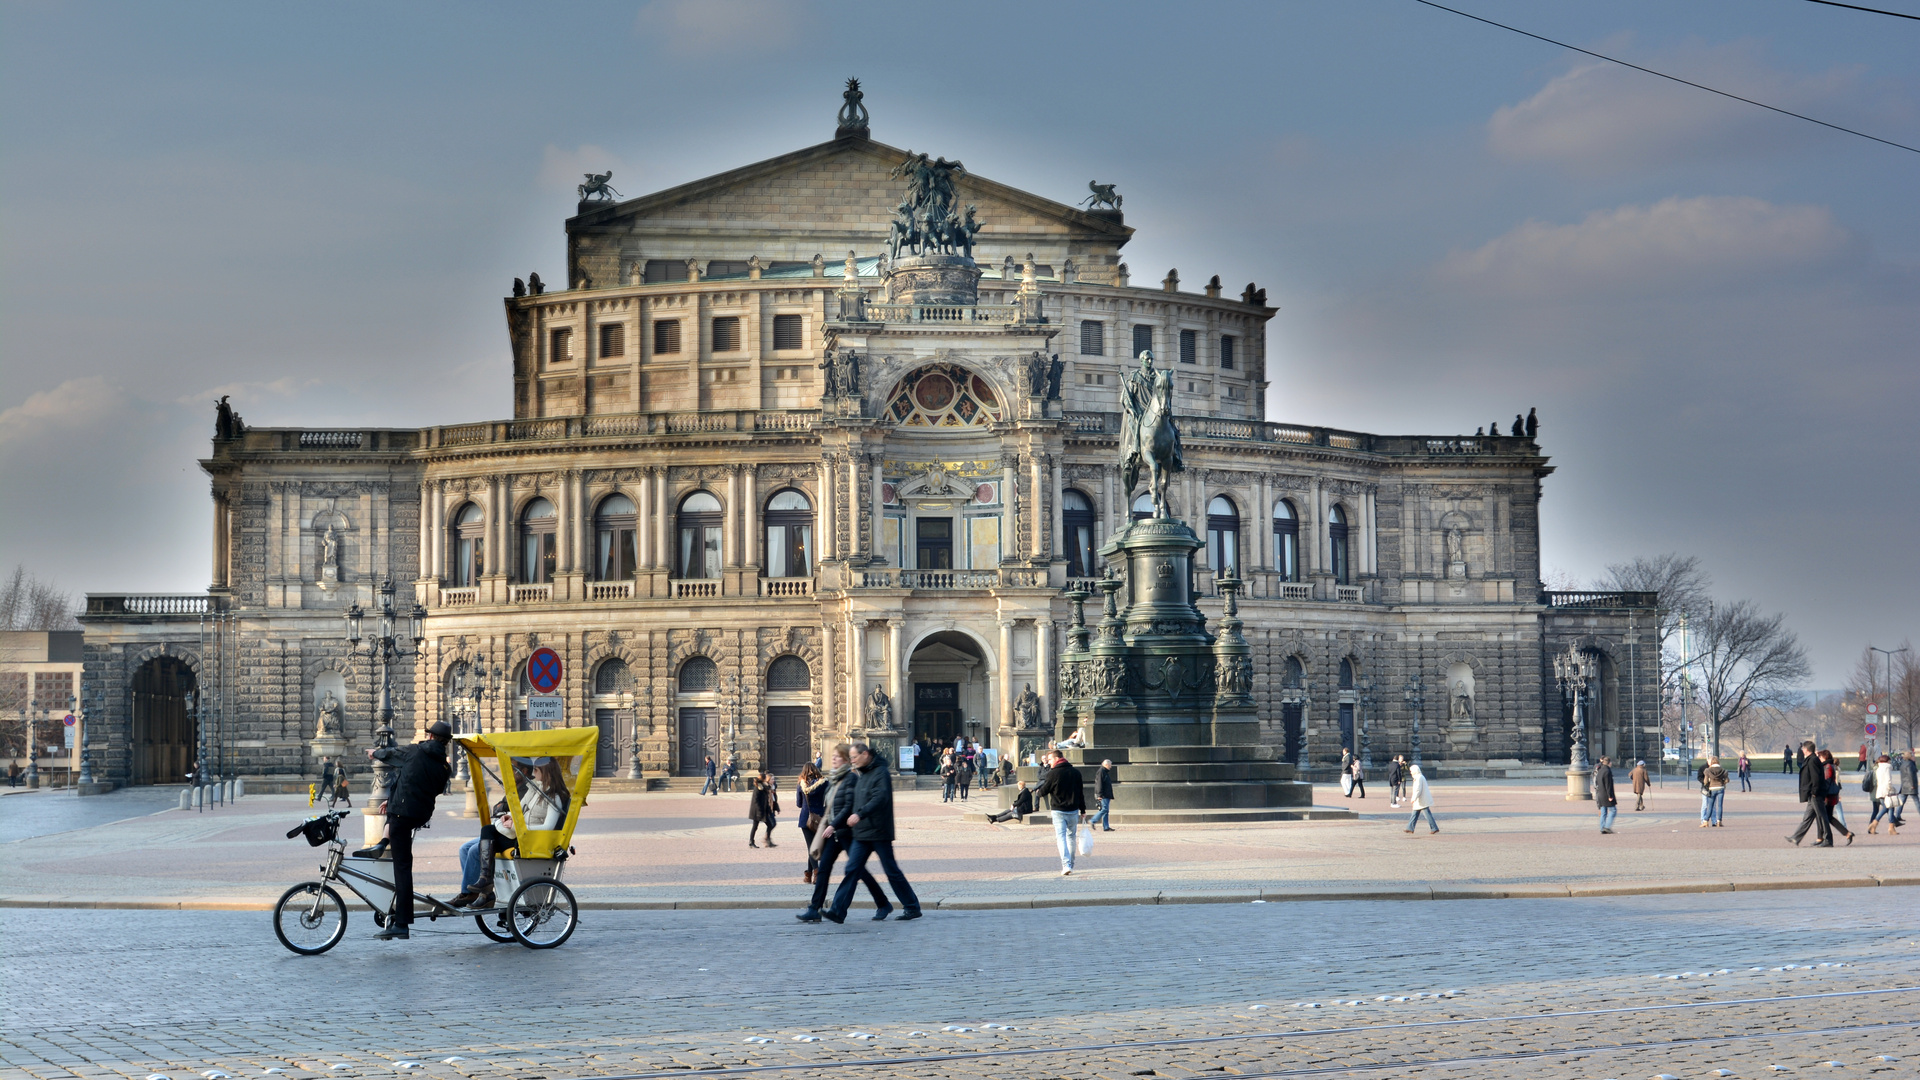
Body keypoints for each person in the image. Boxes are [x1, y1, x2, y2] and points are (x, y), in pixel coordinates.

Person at [366, 720, 454, 940]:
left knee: (402, 868)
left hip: (402, 815)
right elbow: (429, 788)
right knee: (401, 859)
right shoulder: (445, 767)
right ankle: (382, 844)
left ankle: (402, 923)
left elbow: (390, 754)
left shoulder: (415, 751)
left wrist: (374, 753)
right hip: (420, 814)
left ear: (431, 736)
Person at [822, 742, 921, 923]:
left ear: (865, 754)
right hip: (861, 833)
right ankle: (838, 910)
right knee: (852, 869)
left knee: (891, 871)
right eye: (850, 758)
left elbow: (879, 798)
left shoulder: (880, 773)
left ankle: (912, 907)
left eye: (854, 757)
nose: (852, 761)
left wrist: (859, 814)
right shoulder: (862, 774)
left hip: (878, 831)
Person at [450, 757, 562, 910]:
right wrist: (508, 816)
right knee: (486, 831)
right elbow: (517, 809)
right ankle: (483, 886)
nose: (533, 774)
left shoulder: (554, 797)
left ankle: (483, 888)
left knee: (478, 846)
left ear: (546, 773)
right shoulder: (535, 789)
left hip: (528, 838)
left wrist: (521, 827)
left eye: (536, 771)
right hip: (517, 832)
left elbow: (548, 827)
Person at [796, 745, 891, 922]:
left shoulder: (850, 779)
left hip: (847, 832)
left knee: (859, 872)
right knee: (823, 869)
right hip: (835, 833)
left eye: (837, 757)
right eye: (832, 756)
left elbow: (848, 806)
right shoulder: (833, 779)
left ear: (846, 760)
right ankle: (814, 909)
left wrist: (833, 825)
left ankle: (883, 903)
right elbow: (830, 806)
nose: (833, 759)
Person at [1033, 749, 1087, 876]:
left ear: (1057, 759)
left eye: (1050, 759)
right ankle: (1071, 865)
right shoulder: (1076, 772)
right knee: (1071, 837)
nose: (1049, 762)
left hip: (1058, 810)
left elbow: (1044, 790)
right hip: (1073, 810)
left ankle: (1066, 864)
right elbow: (1080, 793)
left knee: (1061, 837)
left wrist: (1038, 793)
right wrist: (1083, 810)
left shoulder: (1053, 773)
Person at [1787, 740, 1833, 847]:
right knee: (1807, 818)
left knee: (1822, 817)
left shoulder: (1813, 760)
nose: (1802, 750)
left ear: (1806, 750)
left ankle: (1828, 840)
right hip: (1812, 794)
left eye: (1803, 748)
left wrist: (1814, 792)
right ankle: (1796, 837)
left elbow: (1816, 778)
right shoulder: (1811, 759)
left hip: (1815, 794)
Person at [796, 763, 828, 882]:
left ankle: (816, 872)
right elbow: (828, 799)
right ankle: (808, 875)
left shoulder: (801, 784)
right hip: (819, 818)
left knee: (811, 847)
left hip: (806, 819)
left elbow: (799, 803)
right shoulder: (824, 783)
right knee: (814, 846)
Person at [1819, 749, 1855, 842]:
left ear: (1825, 757)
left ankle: (1823, 838)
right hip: (1831, 795)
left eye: (1821, 757)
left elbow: (1827, 782)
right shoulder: (1830, 766)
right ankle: (1846, 833)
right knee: (1829, 817)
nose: (1819, 759)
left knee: (1825, 816)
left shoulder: (1828, 767)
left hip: (1828, 796)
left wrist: (1822, 793)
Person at [1866, 754, 1901, 835]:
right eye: (1889, 760)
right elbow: (1888, 781)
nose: (1890, 762)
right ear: (1887, 761)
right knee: (1887, 808)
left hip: (1880, 791)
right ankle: (1875, 824)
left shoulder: (1878, 768)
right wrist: (1892, 789)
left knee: (1889, 809)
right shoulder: (1887, 768)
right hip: (1887, 791)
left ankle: (1890, 828)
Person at [1403, 763, 1438, 834]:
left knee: (1425, 814)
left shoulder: (1418, 778)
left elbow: (1418, 789)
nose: (1411, 772)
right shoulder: (1419, 777)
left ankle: (1434, 827)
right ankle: (1410, 827)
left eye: (1411, 771)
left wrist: (1414, 798)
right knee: (1415, 814)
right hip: (1421, 800)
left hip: (1421, 800)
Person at [748, 770, 780, 848]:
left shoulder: (764, 787)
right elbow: (756, 801)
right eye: (765, 778)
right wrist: (759, 811)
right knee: (755, 826)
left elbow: (768, 799)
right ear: (763, 779)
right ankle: (751, 841)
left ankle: (767, 840)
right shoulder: (758, 788)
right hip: (757, 811)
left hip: (763, 810)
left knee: (770, 824)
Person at [1699, 757, 1729, 827]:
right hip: (1721, 788)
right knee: (1720, 805)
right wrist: (1723, 782)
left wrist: (1709, 782)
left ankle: (1706, 821)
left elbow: (1705, 781)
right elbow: (1727, 780)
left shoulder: (1708, 770)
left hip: (1712, 788)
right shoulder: (1722, 770)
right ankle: (1719, 821)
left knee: (1710, 806)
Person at [1593, 756, 1618, 833]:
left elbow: (1596, 782)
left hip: (1600, 794)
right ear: (1609, 763)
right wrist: (1610, 796)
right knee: (1613, 810)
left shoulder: (1600, 770)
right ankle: (1607, 827)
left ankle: (1602, 828)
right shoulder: (1607, 771)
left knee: (1603, 812)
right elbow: (1608, 785)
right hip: (1606, 794)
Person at [1091, 759, 1116, 831]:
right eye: (1110, 765)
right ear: (1106, 764)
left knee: (1106, 810)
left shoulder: (1104, 771)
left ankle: (1106, 826)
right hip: (1103, 794)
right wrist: (1099, 794)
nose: (1111, 767)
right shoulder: (1101, 772)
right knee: (1104, 809)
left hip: (1106, 794)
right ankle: (1093, 820)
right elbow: (1099, 784)